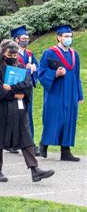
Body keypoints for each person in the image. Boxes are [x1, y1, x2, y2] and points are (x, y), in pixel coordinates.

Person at [0, 39, 55, 182]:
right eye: (9, 54)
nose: (13, 57)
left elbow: (28, 85)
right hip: (1, 109)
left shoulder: (21, 67)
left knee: (26, 137)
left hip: (19, 108)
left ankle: (35, 170)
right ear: (3, 53)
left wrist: (11, 88)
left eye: (15, 54)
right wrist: (16, 93)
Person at [38, 24, 83, 161]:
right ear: (58, 37)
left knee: (69, 120)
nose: (69, 38)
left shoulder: (74, 54)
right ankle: (44, 143)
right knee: (53, 118)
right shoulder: (49, 53)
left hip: (70, 93)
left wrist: (79, 94)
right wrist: (55, 74)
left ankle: (66, 151)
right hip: (55, 92)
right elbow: (41, 72)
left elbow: (77, 75)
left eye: (70, 36)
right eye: (66, 36)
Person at [10, 26, 40, 155]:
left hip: (27, 89)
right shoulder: (12, 53)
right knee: (16, 114)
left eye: (27, 38)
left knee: (28, 115)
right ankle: (13, 143)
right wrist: (28, 70)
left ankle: (30, 143)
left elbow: (37, 66)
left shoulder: (29, 53)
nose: (26, 40)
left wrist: (34, 67)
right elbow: (12, 70)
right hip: (16, 88)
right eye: (23, 38)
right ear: (16, 39)